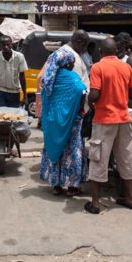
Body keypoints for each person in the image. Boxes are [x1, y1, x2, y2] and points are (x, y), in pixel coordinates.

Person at [85, 38, 132, 214]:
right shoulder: (126, 67)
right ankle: (130, 198)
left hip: (104, 119)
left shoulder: (98, 67)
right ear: (116, 51)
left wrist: (88, 100)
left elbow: (94, 94)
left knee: (98, 158)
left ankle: (95, 203)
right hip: (124, 119)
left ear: (101, 52)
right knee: (125, 158)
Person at [38, 47, 87, 196]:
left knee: (55, 151)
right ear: (65, 63)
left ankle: (56, 185)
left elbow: (45, 99)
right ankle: (72, 187)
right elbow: (82, 91)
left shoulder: (49, 77)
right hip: (71, 122)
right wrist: (79, 109)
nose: (73, 64)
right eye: (71, 62)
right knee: (72, 151)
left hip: (53, 121)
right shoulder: (72, 77)